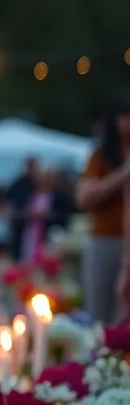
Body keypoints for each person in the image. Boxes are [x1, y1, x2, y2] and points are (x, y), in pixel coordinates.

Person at [76, 91, 130, 322]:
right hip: (107, 240)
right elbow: (85, 197)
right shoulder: (101, 157)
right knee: (101, 315)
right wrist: (124, 174)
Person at [13, 166, 74, 263]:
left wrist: (48, 215)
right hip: (29, 236)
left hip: (49, 237)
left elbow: (65, 216)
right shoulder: (29, 194)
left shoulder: (60, 197)